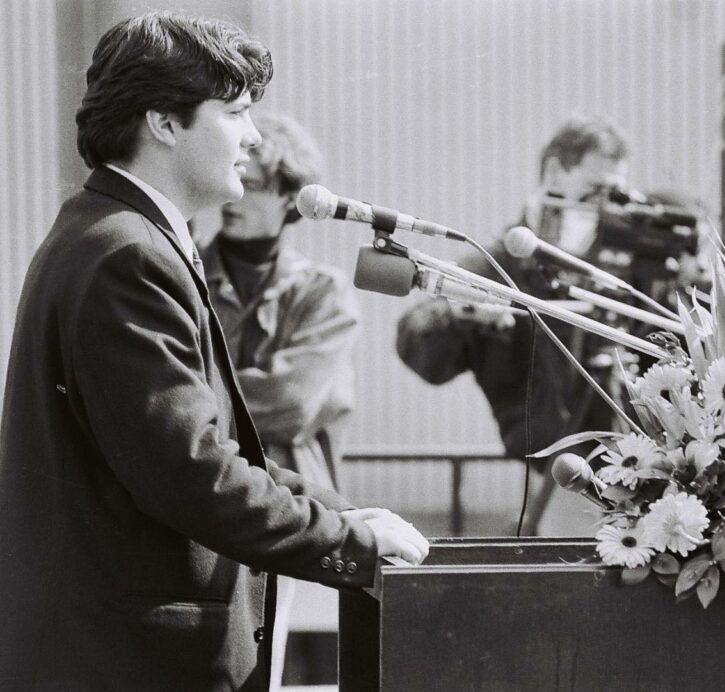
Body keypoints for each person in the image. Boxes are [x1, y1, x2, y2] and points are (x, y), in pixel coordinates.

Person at [0, 12, 427, 691]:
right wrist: (350, 545)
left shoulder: (115, 233)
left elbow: (212, 444)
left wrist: (339, 512)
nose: (253, 136)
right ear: (164, 123)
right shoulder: (129, 253)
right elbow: (190, 469)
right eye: (235, 113)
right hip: (130, 665)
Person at [395, 115, 631, 534]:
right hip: (552, 480)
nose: (604, 207)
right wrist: (462, 313)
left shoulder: (622, 269)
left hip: (635, 472)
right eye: (595, 191)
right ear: (555, 172)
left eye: (615, 196)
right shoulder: (497, 267)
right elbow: (419, 344)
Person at [200, 112, 361, 690]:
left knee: (285, 667)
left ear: (292, 198)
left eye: (257, 184)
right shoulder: (181, 273)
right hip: (206, 494)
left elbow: (292, 401)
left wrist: (196, 403)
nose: (236, 195)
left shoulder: (322, 291)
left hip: (292, 504)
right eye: (237, 176)